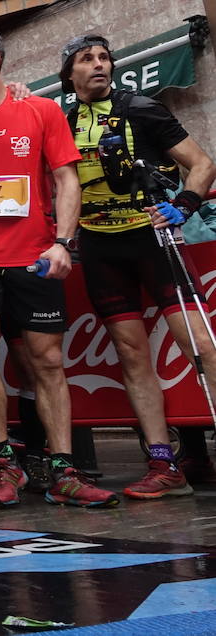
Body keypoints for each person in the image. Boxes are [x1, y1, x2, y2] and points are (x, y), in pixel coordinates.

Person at [0, 25, 117, 509]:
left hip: (35, 255)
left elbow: (66, 179)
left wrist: (62, 243)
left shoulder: (41, 110)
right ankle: (1, 462)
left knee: (48, 361)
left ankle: (62, 468)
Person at [60, 34, 216, 499]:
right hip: (100, 248)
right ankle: (163, 462)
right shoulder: (62, 121)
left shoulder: (141, 107)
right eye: (86, 59)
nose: (98, 65)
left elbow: (202, 163)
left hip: (153, 239)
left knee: (200, 345)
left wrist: (183, 205)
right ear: (70, 74)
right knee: (131, 354)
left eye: (105, 57)